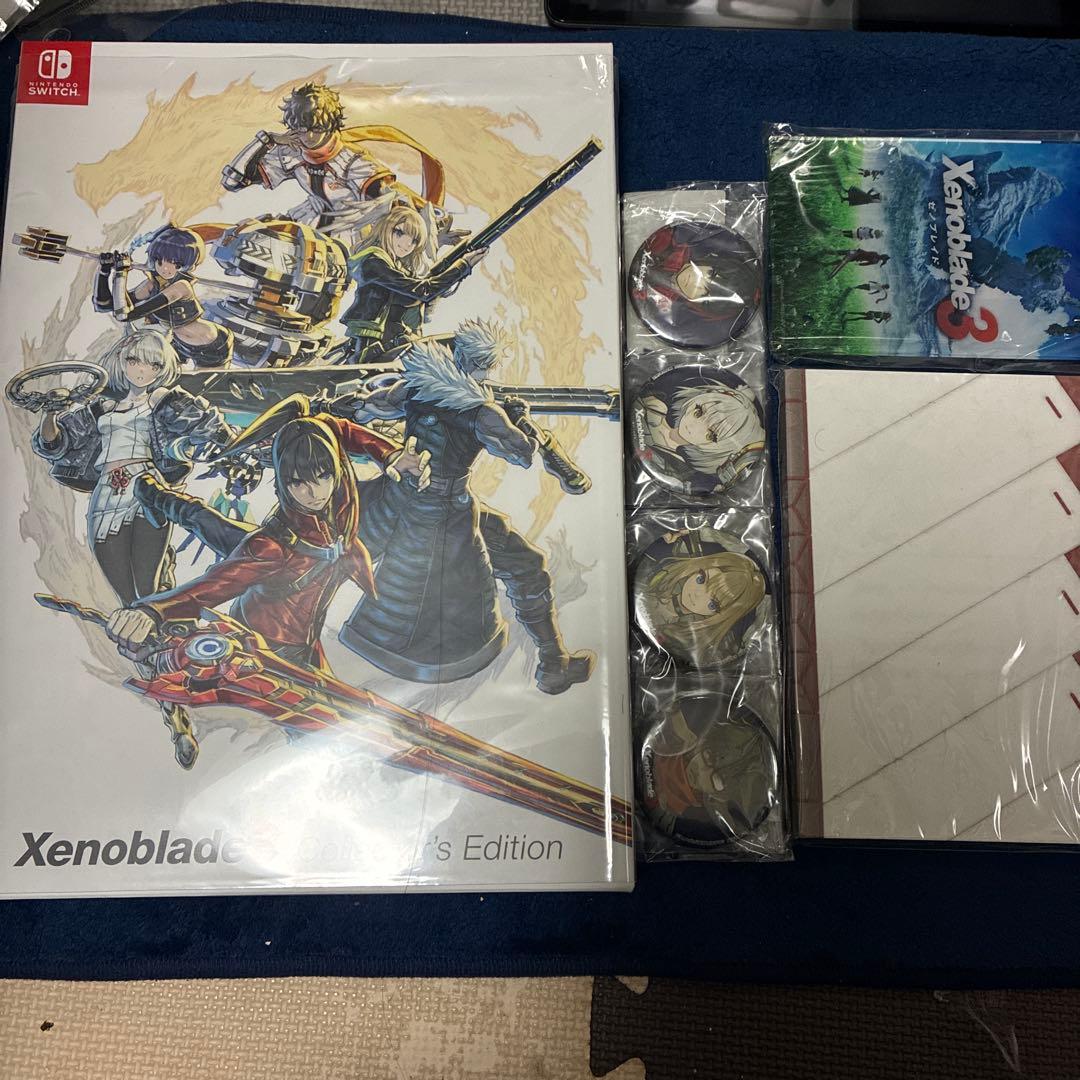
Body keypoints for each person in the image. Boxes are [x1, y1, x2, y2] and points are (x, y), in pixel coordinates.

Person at [336, 320, 595, 694]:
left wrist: (353, 405)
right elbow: (522, 454)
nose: (487, 374)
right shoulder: (482, 412)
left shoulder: (415, 387)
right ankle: (553, 664)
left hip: (409, 499)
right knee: (513, 568)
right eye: (484, 366)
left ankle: (555, 663)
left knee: (525, 562)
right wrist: (519, 421)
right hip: (443, 515)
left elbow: (368, 408)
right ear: (473, 361)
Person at [32, 329, 237, 767]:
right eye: (135, 361)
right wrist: (50, 411)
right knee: (129, 609)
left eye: (152, 363)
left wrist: (194, 447)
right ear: (122, 362)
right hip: (105, 500)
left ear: (163, 368)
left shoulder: (169, 402)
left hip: (147, 492)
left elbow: (215, 432)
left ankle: (190, 677)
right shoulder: (100, 407)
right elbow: (53, 445)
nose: (142, 370)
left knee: (150, 598)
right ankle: (174, 713)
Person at [106, 408, 431, 675]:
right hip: (268, 644)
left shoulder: (339, 505)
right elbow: (212, 587)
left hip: (300, 616)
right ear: (283, 483)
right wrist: (152, 611)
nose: (314, 493)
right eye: (298, 483)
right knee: (205, 522)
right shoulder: (268, 549)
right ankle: (149, 491)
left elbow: (337, 429)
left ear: (336, 471)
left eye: (323, 476)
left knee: (209, 523)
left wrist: (390, 454)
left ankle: (152, 494)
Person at [221, 83, 450, 251]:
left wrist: (428, 222)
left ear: (331, 125)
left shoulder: (352, 160)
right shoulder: (291, 151)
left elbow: (390, 199)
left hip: (349, 237)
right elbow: (233, 182)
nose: (309, 137)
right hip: (306, 223)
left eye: (317, 129)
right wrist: (266, 140)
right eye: (302, 129)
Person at [336, 205, 485, 364]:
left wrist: (449, 260)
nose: (407, 244)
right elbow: (422, 290)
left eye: (414, 241)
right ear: (386, 229)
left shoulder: (393, 264)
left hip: (388, 333)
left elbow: (416, 292)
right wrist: (462, 267)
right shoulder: (374, 263)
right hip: (369, 336)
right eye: (399, 232)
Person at [94, 225, 234, 368]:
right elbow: (106, 305)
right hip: (179, 344)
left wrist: (121, 274)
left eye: (175, 264)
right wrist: (104, 272)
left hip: (211, 345)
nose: (166, 268)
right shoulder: (152, 285)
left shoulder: (181, 287)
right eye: (160, 261)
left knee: (202, 381)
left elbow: (125, 315)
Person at [636, 530, 767, 669]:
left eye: (712, 604)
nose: (697, 595)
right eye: (701, 579)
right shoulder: (656, 576)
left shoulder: (695, 643)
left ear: (724, 616)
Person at [636, 375, 764, 495]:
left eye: (711, 435)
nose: (693, 426)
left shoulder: (681, 475)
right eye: (699, 412)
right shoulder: (654, 403)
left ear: (719, 449)